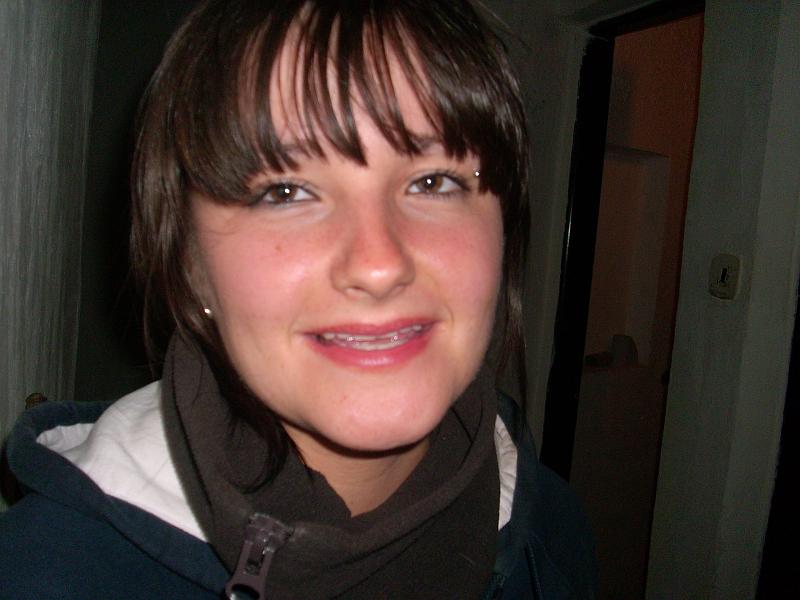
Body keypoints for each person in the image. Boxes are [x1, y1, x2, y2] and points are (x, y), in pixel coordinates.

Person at [0, 1, 596, 598]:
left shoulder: (553, 533)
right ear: (191, 267)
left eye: (433, 182)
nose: (379, 265)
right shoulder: (44, 575)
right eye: (285, 192)